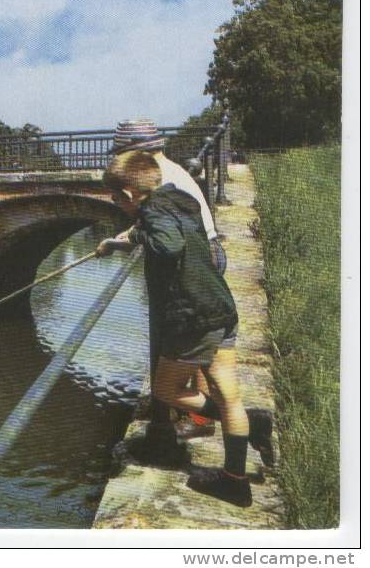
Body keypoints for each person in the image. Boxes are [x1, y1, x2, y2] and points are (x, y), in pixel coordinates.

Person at [97, 151, 272, 507]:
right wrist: (119, 241)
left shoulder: (150, 211)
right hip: (220, 305)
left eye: (116, 198)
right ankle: (235, 480)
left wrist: (140, 235)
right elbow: (168, 229)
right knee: (228, 394)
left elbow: (167, 243)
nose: (115, 203)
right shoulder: (180, 198)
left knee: (166, 390)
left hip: (192, 316)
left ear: (130, 195)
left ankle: (248, 425)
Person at [109, 119, 224, 453]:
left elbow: (167, 237)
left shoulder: (162, 182)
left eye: (122, 156)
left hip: (195, 260)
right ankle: (185, 408)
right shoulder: (168, 172)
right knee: (197, 346)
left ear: (137, 153)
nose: (120, 164)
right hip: (206, 252)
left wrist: (137, 235)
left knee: (191, 343)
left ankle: (199, 419)